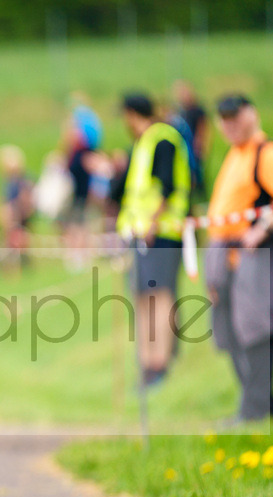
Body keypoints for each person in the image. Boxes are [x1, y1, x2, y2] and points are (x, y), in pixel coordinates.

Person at [205, 94, 273, 422]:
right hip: (227, 258)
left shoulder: (266, 153)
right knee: (230, 332)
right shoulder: (235, 155)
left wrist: (261, 229)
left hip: (253, 258)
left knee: (254, 328)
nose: (230, 125)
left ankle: (255, 409)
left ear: (251, 114)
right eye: (224, 119)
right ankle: (261, 404)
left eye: (235, 117)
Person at [116, 92, 191, 388]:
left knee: (160, 298)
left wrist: (152, 222)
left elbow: (166, 186)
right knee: (142, 296)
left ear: (132, 114)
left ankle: (160, 362)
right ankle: (147, 363)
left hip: (160, 233)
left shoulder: (163, 139)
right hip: (140, 234)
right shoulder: (143, 143)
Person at [61, 92, 103, 265]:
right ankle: (80, 252)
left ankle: (80, 253)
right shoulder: (79, 154)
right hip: (80, 187)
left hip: (81, 189)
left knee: (79, 218)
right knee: (80, 217)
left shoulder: (82, 154)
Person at [0, 144, 34, 270]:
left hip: (19, 217)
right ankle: (10, 268)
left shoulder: (23, 180)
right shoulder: (6, 181)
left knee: (19, 243)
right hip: (12, 218)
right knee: (8, 245)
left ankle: (19, 267)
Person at [172, 80, 210, 204]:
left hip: (194, 147)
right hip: (185, 147)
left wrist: (201, 145)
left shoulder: (197, 110)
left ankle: (202, 199)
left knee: (198, 174)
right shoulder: (181, 111)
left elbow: (203, 127)